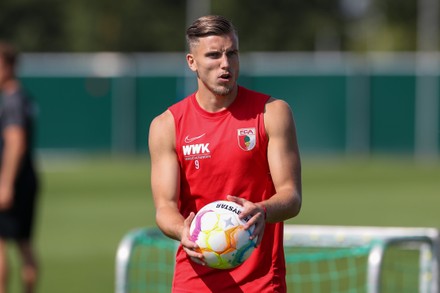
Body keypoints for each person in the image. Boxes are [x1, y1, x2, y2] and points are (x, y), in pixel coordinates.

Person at [148, 15, 302, 292]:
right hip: (193, 283)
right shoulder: (166, 126)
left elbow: (291, 196)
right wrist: (182, 229)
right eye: (214, 55)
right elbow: (165, 207)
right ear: (191, 62)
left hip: (261, 283)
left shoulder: (272, 113)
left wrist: (263, 210)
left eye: (232, 53)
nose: (225, 63)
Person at [0, 41, 39, 293]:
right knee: (25, 244)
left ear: (9, 66)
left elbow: (16, 142)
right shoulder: (23, 97)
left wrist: (5, 184)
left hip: (13, 181)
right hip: (26, 179)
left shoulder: (12, 100)